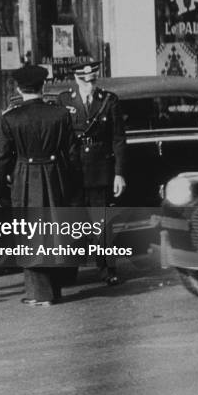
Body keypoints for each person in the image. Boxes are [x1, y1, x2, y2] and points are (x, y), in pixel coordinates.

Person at [0, 64, 79, 306]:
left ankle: (39, 294)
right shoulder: (60, 114)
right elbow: (72, 154)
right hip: (56, 175)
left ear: (19, 89)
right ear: (44, 86)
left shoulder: (10, 118)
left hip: (25, 176)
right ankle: (54, 290)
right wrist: (73, 184)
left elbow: (2, 158)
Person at [57, 59, 126, 285]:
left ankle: (107, 269)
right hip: (75, 171)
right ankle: (69, 271)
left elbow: (118, 140)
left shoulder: (108, 100)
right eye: (84, 79)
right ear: (75, 79)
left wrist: (119, 173)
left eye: (92, 79)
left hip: (100, 170)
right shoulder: (65, 100)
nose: (89, 83)